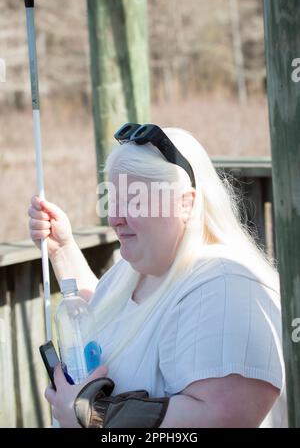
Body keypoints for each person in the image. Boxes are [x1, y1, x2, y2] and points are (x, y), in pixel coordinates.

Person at [28, 123, 287, 428]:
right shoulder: (134, 272)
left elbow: (222, 416)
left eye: (135, 201)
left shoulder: (225, 286)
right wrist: (62, 250)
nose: (114, 218)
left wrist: (91, 416)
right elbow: (115, 324)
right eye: (114, 200)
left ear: (185, 204)